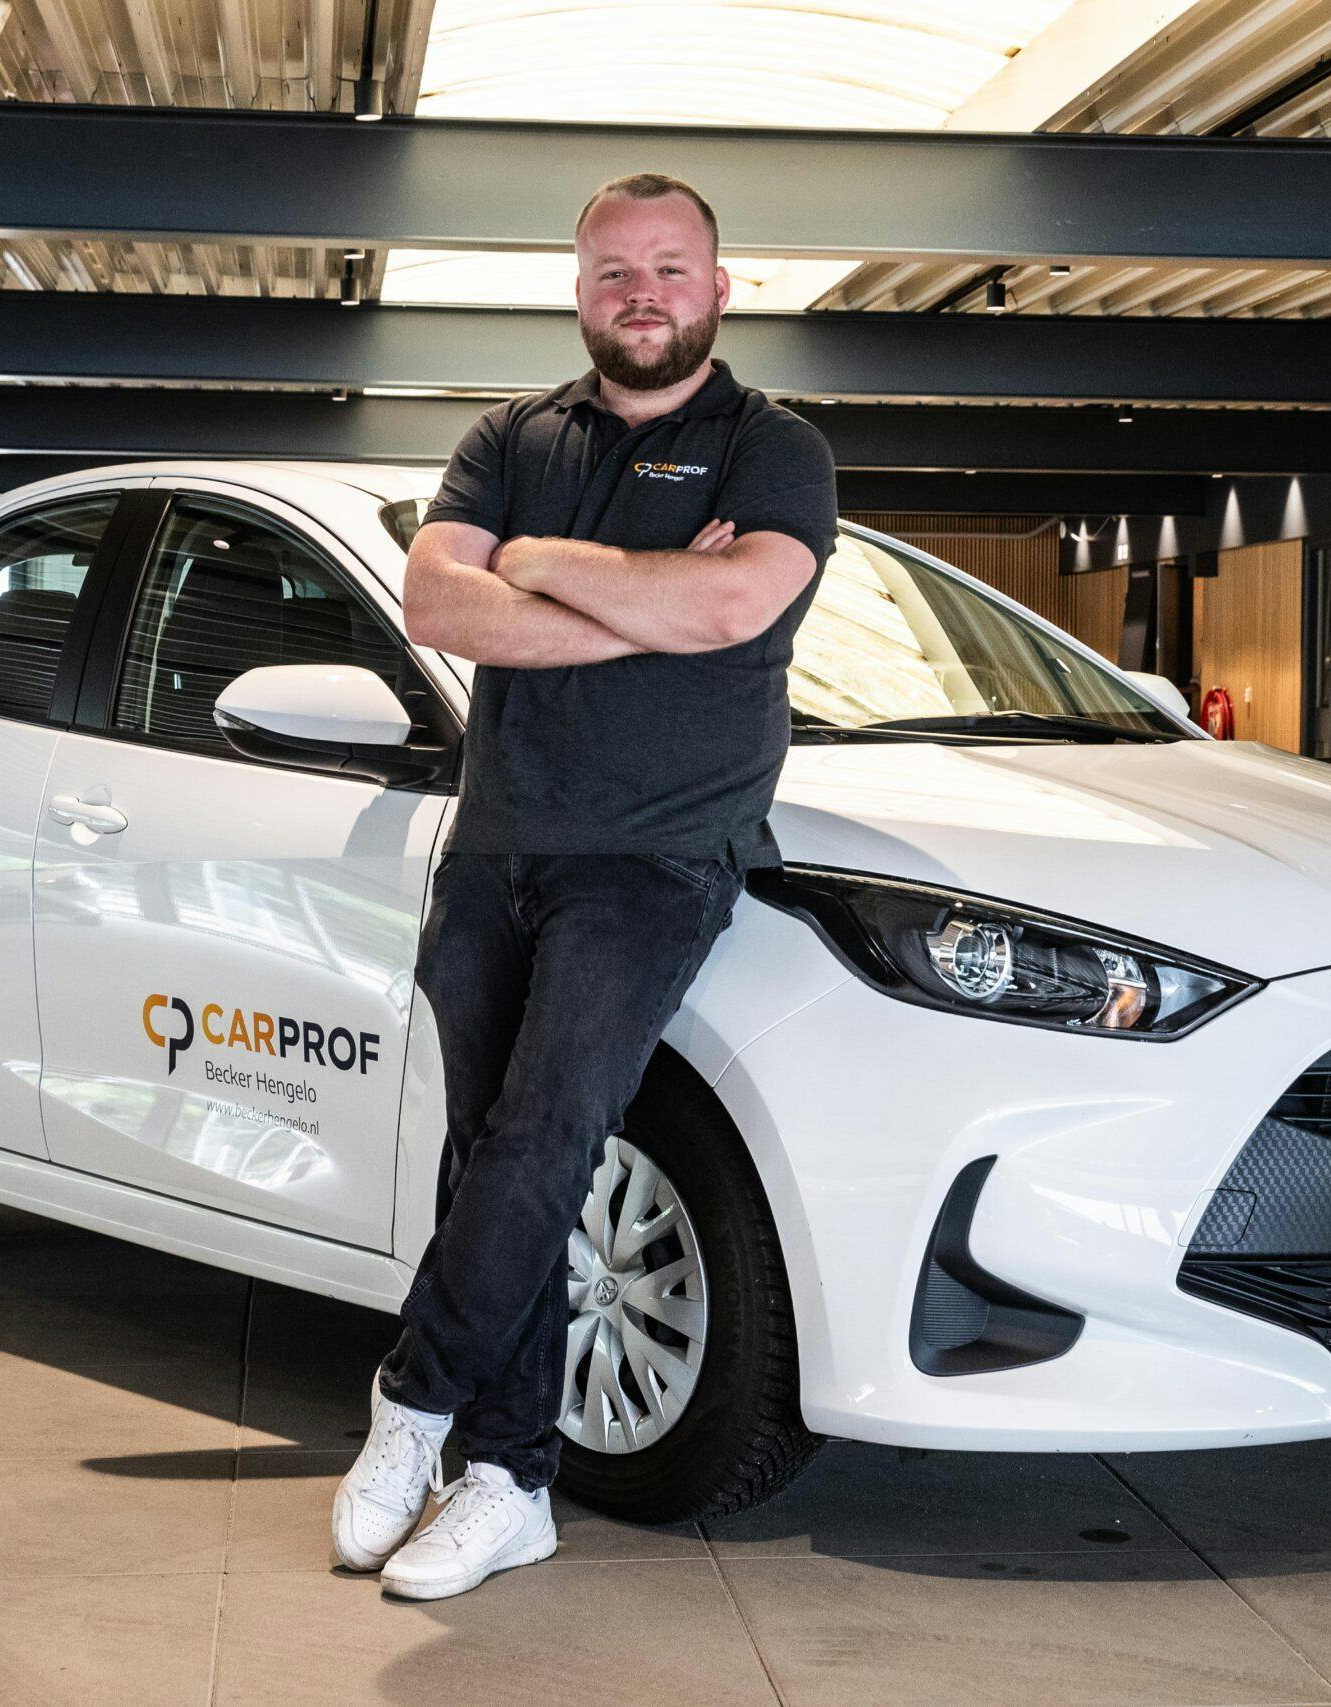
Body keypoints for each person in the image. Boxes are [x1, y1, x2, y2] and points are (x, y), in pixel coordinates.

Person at [330, 172, 837, 1601]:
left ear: (720, 287)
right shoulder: (509, 437)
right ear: (578, 292)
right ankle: (512, 1480)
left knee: (551, 1134)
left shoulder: (774, 449)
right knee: (491, 1154)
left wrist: (542, 567)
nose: (642, 295)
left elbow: (732, 604)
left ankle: (413, 1401)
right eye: (615, 271)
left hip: (655, 857)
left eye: (670, 268)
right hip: (497, 845)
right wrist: (644, 598)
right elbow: (438, 602)